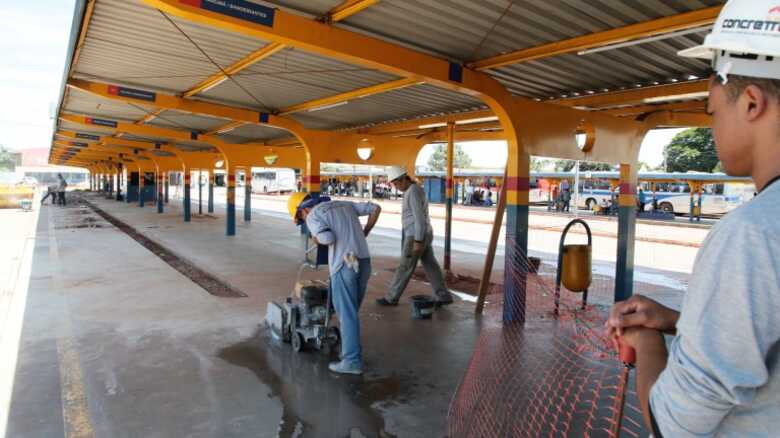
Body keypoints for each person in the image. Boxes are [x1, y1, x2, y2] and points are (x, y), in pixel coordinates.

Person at [606, 2, 780, 435]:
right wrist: (679, 321)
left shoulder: (752, 234)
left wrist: (646, 340)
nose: (712, 127)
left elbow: (672, 422)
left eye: (712, 111)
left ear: (752, 103)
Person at [288, 192, 381, 375]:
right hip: (363, 261)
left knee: (347, 315)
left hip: (344, 264)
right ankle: (349, 350)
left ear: (303, 210)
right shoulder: (343, 204)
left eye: (300, 218)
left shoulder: (313, 215)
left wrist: (315, 238)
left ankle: (351, 361)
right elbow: (376, 208)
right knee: (351, 312)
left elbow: (328, 238)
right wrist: (366, 231)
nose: (304, 220)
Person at [377, 167, 454, 306]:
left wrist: (418, 240)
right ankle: (443, 295)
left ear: (403, 179)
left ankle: (391, 297)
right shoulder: (414, 190)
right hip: (423, 233)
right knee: (430, 265)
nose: (396, 187)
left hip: (415, 235)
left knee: (405, 266)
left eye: (396, 184)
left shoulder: (413, 191)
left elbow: (419, 218)